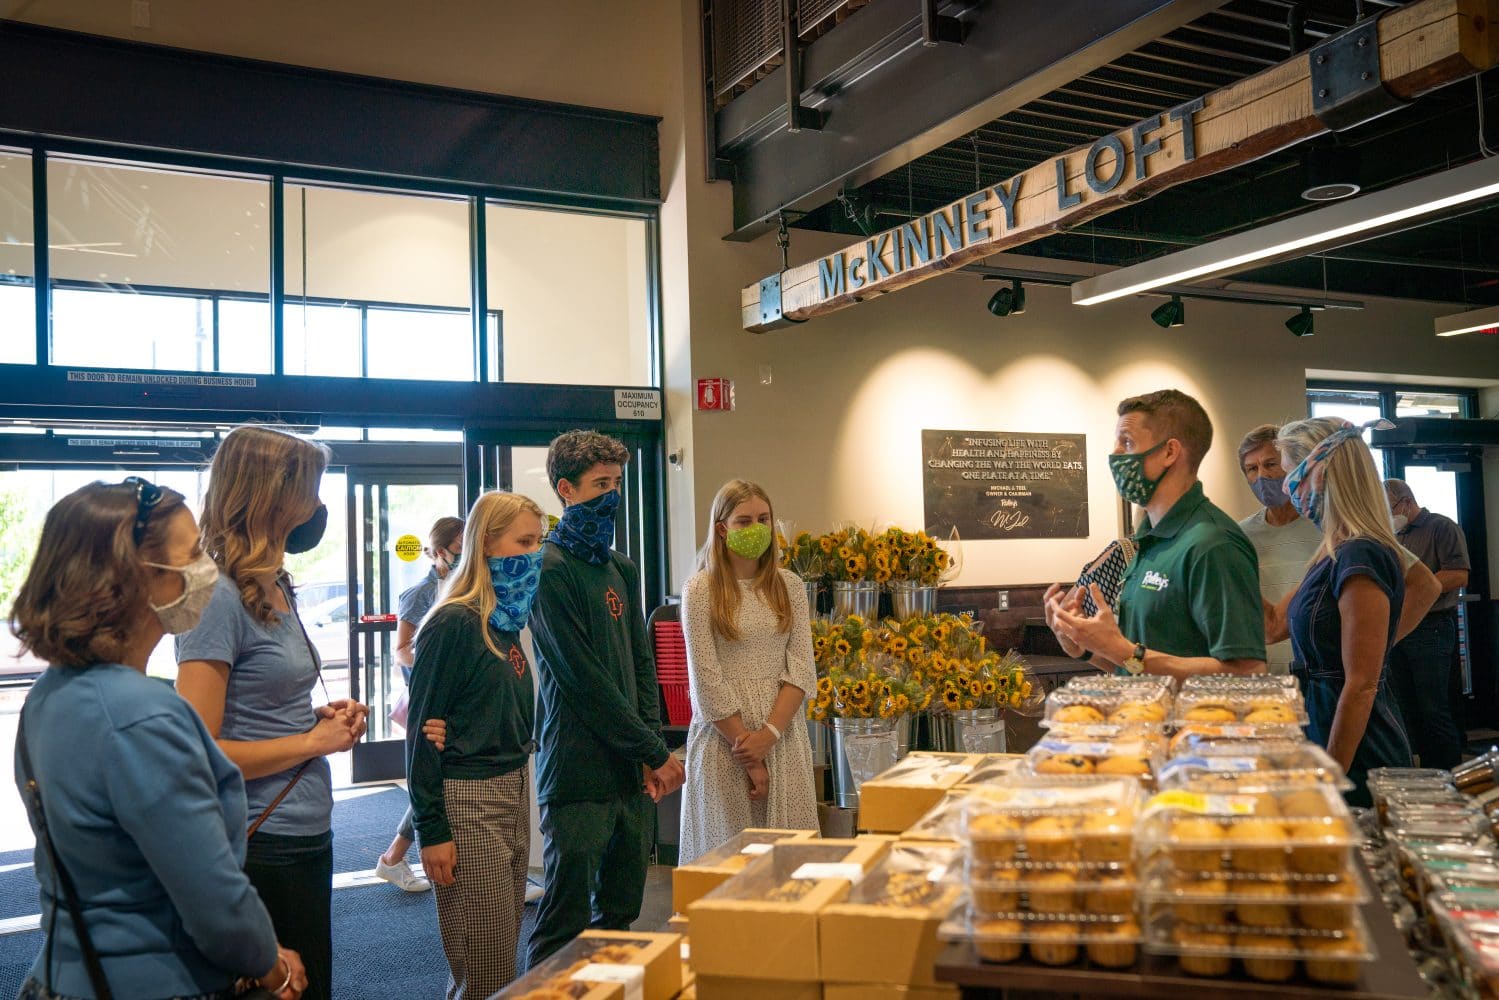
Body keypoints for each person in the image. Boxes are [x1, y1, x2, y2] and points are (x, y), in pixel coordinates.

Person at [8, 478, 307, 1000]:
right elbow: (211, 894)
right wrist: (271, 965)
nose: (206, 570)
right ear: (138, 576)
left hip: (61, 972)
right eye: (191, 554)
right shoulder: (142, 716)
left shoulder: (48, 696)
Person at [177, 425, 368, 1000]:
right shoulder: (214, 594)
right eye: (311, 487)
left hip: (305, 826)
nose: (317, 505)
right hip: (261, 839)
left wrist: (317, 718)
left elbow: (261, 702)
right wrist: (312, 743)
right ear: (273, 496)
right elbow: (198, 748)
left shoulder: (274, 583)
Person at [525, 429, 686, 966]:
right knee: (564, 923)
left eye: (617, 482)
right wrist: (655, 751)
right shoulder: (547, 570)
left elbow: (642, 665)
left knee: (620, 913)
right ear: (565, 489)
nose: (612, 495)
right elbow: (584, 682)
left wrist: (647, 753)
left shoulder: (621, 566)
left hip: (629, 774)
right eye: (600, 484)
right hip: (576, 773)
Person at [407, 493, 543, 997]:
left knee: (497, 952)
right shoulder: (454, 622)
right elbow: (421, 734)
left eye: (537, 542)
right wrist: (432, 829)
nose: (533, 554)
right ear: (484, 544)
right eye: (523, 542)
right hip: (469, 800)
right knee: (482, 964)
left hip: (510, 789)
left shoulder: (503, 624)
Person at [1047, 389, 1267, 678]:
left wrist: (1123, 650)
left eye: (1127, 442)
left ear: (1169, 452)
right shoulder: (1147, 542)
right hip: (1146, 720)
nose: (1115, 454)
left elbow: (1248, 673)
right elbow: (1137, 668)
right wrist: (1083, 645)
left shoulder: (1213, 544)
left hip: (1197, 723)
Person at [1277, 419, 1418, 805]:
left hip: (1359, 750)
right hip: (1326, 727)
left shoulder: (1361, 553)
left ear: (1319, 473)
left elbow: (1361, 685)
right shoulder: (1333, 549)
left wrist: (1328, 780)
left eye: (1291, 475)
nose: (1287, 488)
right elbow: (1276, 622)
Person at [678, 480, 819, 863]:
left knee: (788, 864)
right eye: (743, 521)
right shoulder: (701, 590)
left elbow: (801, 668)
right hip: (726, 741)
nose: (756, 528)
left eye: (763, 519)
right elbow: (706, 680)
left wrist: (769, 735)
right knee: (728, 862)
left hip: (783, 737)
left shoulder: (789, 586)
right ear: (722, 528)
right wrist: (750, 753)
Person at [1240, 424, 1442, 671]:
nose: (1264, 477)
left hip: (1331, 684)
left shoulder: (1343, 535)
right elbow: (1270, 626)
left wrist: (1370, 650)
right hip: (1283, 682)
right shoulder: (1241, 535)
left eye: (1272, 465)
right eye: (1252, 469)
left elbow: (1425, 586)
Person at [376, 514, 465, 893]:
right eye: (459, 550)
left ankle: (394, 858)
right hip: (430, 699)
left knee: (443, 780)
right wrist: (437, 673)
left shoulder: (469, 585)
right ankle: (394, 857)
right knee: (435, 779)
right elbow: (401, 651)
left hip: (459, 700)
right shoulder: (420, 594)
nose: (464, 556)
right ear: (440, 552)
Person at [1385, 477, 1471, 769]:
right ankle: (1420, 774)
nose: (1387, 516)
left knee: (1432, 709)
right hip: (1399, 627)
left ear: (1406, 502)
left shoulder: (1441, 527)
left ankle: (1448, 776)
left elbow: (1458, 575)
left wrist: (1419, 588)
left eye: (1390, 509)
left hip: (1432, 626)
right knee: (1405, 707)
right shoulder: (1392, 536)